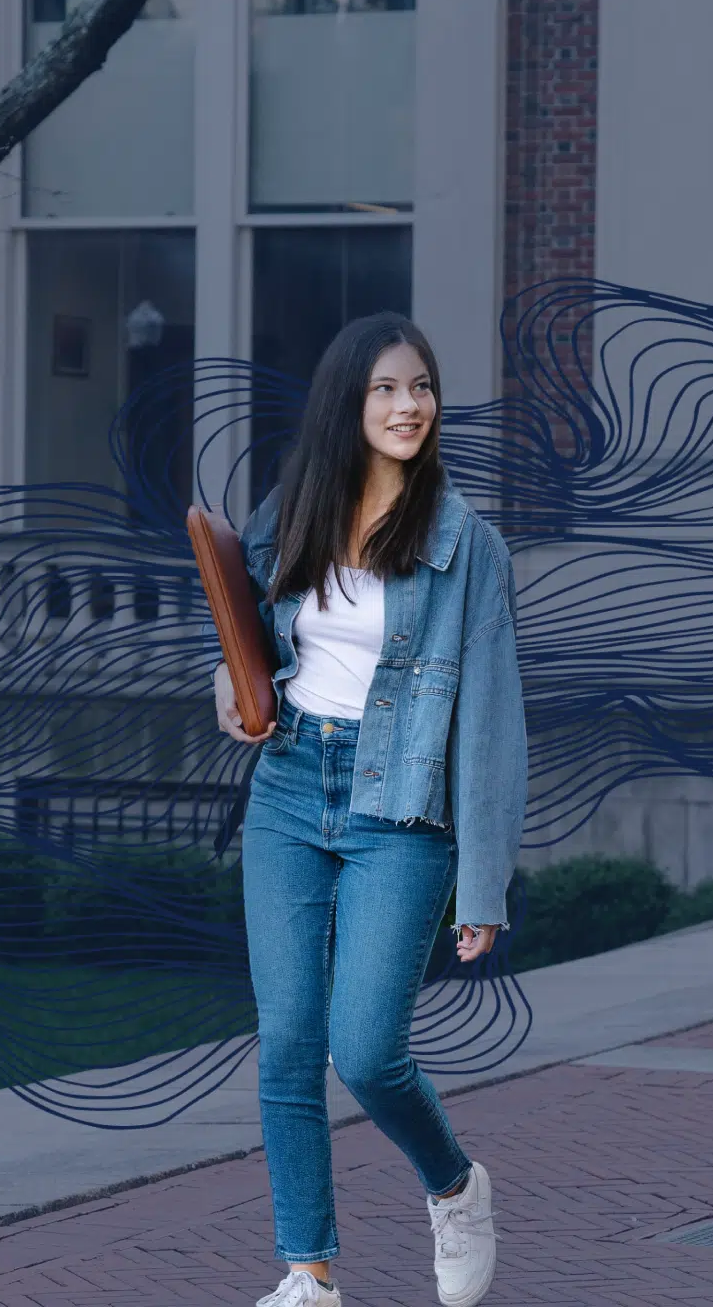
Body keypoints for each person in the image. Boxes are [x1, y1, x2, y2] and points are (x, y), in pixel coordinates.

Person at [213, 311, 526, 1307]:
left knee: (368, 1051)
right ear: (348, 404)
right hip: (290, 792)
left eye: (422, 388)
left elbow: (490, 721)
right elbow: (245, 641)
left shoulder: (465, 545)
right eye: (387, 389)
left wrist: (483, 881)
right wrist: (228, 692)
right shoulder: (288, 512)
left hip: (403, 813)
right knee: (290, 1039)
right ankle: (308, 1270)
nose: (408, 406)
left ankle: (454, 1184)